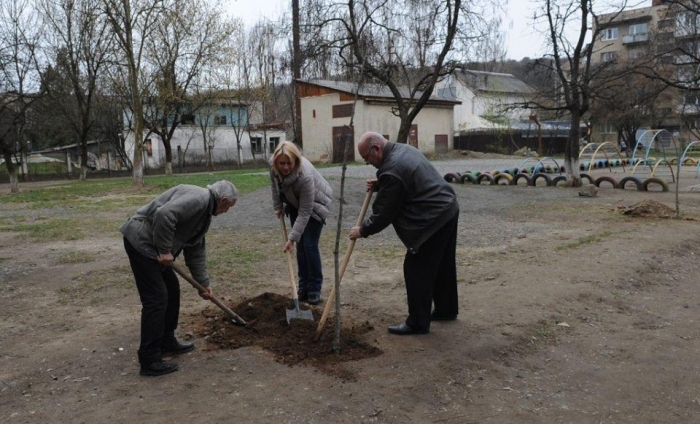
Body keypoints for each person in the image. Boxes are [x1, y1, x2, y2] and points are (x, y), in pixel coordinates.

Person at [120, 180, 238, 376]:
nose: (227, 211)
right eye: (229, 206)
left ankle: (166, 340)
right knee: (156, 299)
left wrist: (203, 284)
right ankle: (149, 359)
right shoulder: (199, 198)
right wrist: (165, 250)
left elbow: (195, 251)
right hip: (142, 242)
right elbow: (164, 214)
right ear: (223, 199)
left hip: (153, 247)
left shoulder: (204, 215)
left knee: (172, 291)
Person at [349, 132, 459, 336]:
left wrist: (362, 230)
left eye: (367, 158)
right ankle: (446, 310)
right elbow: (404, 179)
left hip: (433, 219)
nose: (368, 163)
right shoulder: (402, 149)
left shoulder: (391, 170)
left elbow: (384, 214)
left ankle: (417, 322)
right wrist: (381, 183)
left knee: (415, 268)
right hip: (448, 208)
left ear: (376, 149)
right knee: (442, 263)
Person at [270, 141, 333, 305]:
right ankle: (303, 287)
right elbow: (275, 186)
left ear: (295, 160)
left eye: (288, 163)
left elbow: (306, 211)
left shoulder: (305, 176)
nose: (285, 167)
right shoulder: (274, 168)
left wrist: (291, 238)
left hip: (315, 206)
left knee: (309, 246)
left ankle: (314, 288)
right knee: (301, 247)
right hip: (295, 203)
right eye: (281, 163)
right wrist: (278, 206)